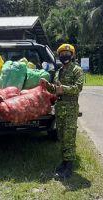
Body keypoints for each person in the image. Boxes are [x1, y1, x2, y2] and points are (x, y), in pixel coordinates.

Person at [40, 43, 83, 179]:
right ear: (59, 55)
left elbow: (78, 87)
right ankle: (64, 163)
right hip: (60, 107)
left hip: (70, 107)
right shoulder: (59, 71)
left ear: (72, 55)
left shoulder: (77, 70)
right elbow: (55, 89)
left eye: (67, 53)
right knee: (62, 137)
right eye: (62, 53)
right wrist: (48, 85)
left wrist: (63, 88)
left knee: (69, 137)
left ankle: (69, 168)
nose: (65, 55)